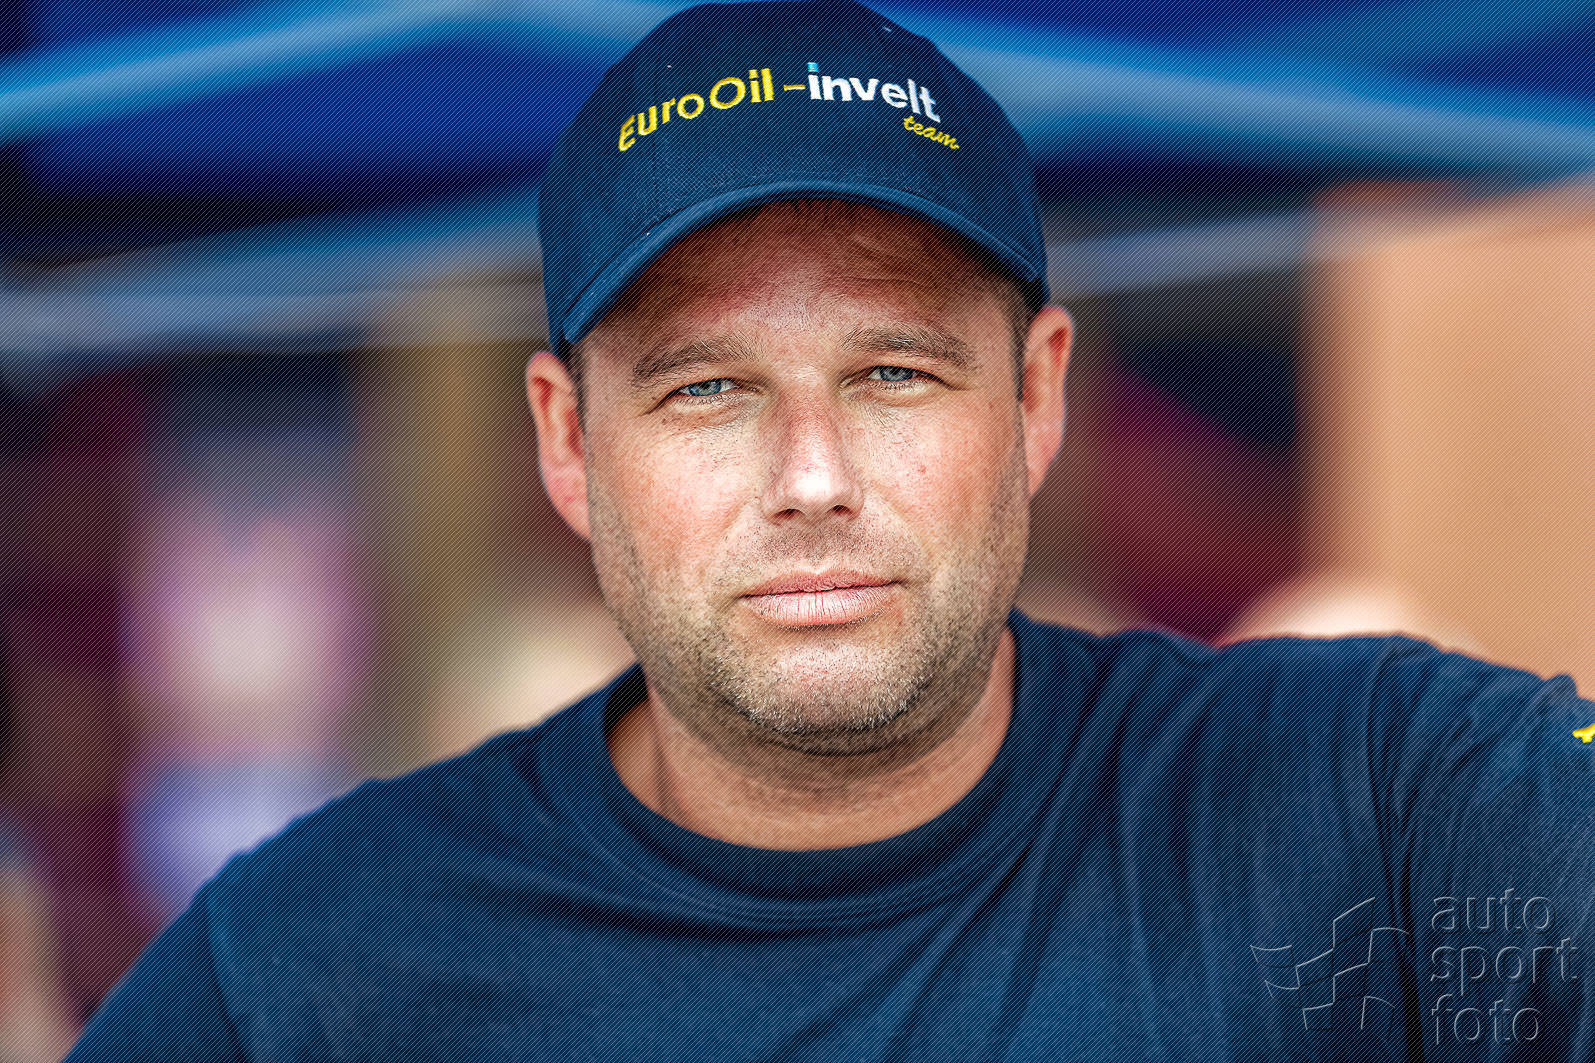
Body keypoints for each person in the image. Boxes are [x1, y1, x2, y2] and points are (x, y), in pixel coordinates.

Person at [68, 2, 1595, 1060]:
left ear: (1037, 397)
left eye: (893, 374)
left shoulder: (1382, 799)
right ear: (567, 441)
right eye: (709, 389)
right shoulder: (316, 969)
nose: (812, 477)